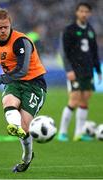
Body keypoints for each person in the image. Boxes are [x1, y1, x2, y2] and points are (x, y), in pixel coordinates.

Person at [0, 8, 47, 172]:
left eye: (5, 26)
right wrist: (4, 80)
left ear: (10, 24)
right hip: (14, 83)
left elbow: (22, 70)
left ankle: (27, 158)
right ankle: (14, 125)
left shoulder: (21, 41)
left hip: (34, 85)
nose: (3, 30)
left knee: (25, 129)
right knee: (8, 101)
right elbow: (12, 72)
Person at [57, 2, 102, 141]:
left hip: (88, 71)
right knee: (74, 100)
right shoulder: (69, 30)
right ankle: (62, 132)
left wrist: (98, 70)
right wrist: (69, 69)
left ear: (89, 14)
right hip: (75, 71)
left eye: (86, 11)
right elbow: (64, 52)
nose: (83, 14)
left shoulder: (90, 30)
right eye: (81, 11)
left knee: (85, 100)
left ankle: (79, 133)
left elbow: (94, 52)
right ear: (77, 12)